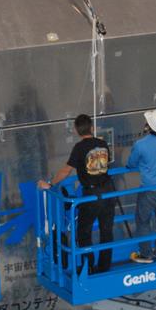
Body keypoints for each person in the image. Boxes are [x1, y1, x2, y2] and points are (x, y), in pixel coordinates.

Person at [38, 114, 116, 273]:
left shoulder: (79, 148)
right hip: (108, 191)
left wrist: (50, 183)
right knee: (106, 231)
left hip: (92, 194)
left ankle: (89, 267)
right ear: (92, 127)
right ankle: (104, 267)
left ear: (76, 131)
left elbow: (66, 171)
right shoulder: (102, 143)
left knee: (84, 232)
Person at [127, 109, 156, 263]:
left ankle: (146, 254)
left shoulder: (140, 145)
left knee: (143, 221)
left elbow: (131, 163)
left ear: (148, 126)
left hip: (149, 190)